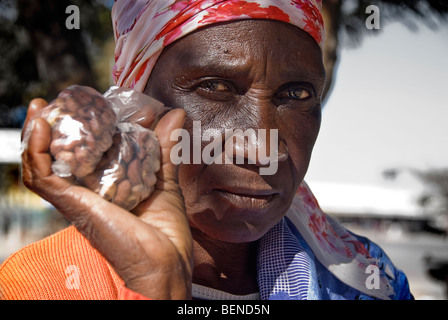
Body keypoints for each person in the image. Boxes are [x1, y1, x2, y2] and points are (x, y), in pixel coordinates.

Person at [0, 0, 413, 300]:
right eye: (214, 87)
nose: (260, 147)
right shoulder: (44, 284)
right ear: (136, 101)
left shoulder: (367, 280)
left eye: (297, 93)